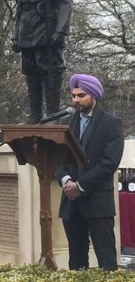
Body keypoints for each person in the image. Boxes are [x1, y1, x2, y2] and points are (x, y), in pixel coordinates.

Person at [55, 74, 124, 270]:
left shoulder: (111, 124)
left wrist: (81, 186)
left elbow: (109, 163)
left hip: (97, 202)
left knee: (106, 261)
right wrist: (67, 180)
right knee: (76, 262)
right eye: (73, 96)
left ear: (93, 96)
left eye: (81, 95)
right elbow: (57, 159)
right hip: (71, 201)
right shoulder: (66, 124)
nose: (76, 100)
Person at [12, 0, 72, 123]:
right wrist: (15, 35)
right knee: (30, 71)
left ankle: (53, 113)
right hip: (27, 28)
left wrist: (61, 29)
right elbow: (19, 4)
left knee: (50, 70)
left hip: (46, 24)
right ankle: (35, 114)